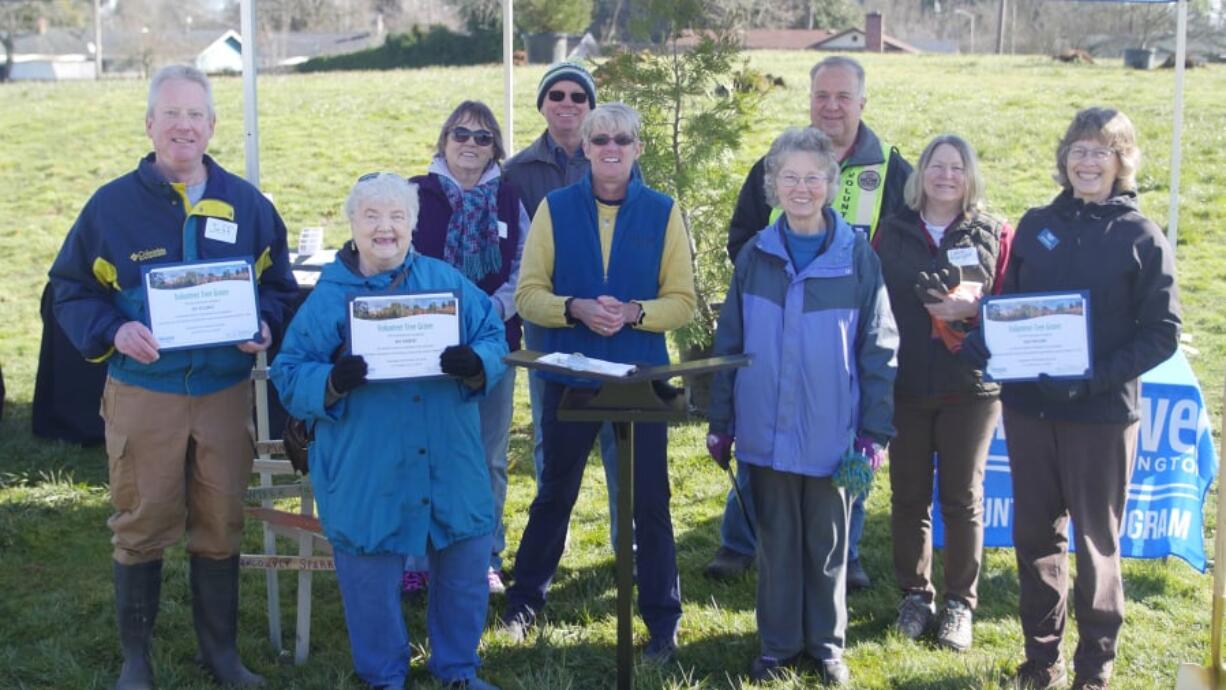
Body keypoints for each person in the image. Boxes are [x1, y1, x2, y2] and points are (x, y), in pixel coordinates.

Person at [48, 64, 297, 689]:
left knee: (220, 521)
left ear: (212, 126)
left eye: (195, 115)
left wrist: (265, 324)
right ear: (150, 124)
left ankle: (221, 656)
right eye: (172, 114)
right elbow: (69, 290)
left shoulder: (249, 206)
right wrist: (111, 331)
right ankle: (138, 660)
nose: (183, 126)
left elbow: (279, 289)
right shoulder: (111, 207)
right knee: (142, 521)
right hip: (145, 392)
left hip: (222, 393)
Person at [962, 107, 1180, 690]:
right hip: (1031, 410)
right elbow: (1009, 305)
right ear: (1065, 159)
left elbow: (1162, 332)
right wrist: (980, 342)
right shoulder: (1035, 225)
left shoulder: (1141, 237)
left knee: (1094, 543)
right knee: (1035, 539)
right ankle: (1041, 660)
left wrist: (1095, 378)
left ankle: (1095, 669)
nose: (1088, 161)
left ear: (1121, 162)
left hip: (1101, 415)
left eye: (1102, 151)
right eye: (1080, 150)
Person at [270, 172, 507, 690]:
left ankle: (458, 669)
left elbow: (493, 335)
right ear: (352, 224)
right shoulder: (329, 300)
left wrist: (475, 363)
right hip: (367, 461)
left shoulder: (446, 283)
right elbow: (287, 373)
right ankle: (383, 675)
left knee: (464, 559)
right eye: (372, 216)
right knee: (370, 568)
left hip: (450, 454)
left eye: (397, 217)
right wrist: (329, 381)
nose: (385, 229)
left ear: (413, 225)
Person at [708, 55, 913, 587]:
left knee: (848, 443)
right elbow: (742, 236)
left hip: (845, 332)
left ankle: (846, 550)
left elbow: (909, 247)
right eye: (822, 95)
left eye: (843, 97)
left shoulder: (891, 169)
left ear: (862, 103)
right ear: (809, 100)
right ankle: (740, 541)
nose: (832, 106)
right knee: (763, 435)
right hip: (773, 329)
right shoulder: (776, 162)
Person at [502, 103, 696, 663]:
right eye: (601, 138)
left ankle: (663, 620)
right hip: (573, 370)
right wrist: (575, 308)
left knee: (651, 502)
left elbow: (681, 301)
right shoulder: (554, 208)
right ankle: (523, 603)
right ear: (584, 147)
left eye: (624, 139)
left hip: (641, 374)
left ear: (637, 149)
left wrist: (636, 311)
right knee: (555, 491)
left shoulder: (663, 211)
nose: (612, 147)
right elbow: (528, 293)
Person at [706, 127, 898, 686]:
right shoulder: (755, 255)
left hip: (831, 436)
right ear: (772, 186)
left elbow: (880, 347)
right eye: (789, 177)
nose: (801, 187)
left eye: (813, 177)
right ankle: (778, 646)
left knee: (827, 546)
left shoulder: (856, 258)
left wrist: (874, 433)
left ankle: (827, 646)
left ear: (831, 185)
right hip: (764, 433)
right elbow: (730, 343)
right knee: (777, 547)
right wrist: (722, 423)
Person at [873, 134, 1013, 651]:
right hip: (905, 384)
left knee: (962, 498)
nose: (946, 175)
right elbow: (873, 303)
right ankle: (915, 594)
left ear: (969, 175)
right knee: (908, 497)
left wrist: (971, 313)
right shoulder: (891, 232)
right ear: (921, 173)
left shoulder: (994, 233)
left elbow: (1013, 302)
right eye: (937, 165)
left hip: (970, 389)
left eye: (957, 167)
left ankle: (959, 603)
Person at [403, 100, 529, 596]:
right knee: (424, 455)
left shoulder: (510, 199)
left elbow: (524, 266)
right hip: (422, 349)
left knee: (486, 458)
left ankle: (484, 557)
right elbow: (397, 260)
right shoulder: (416, 193)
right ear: (443, 140)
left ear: (495, 146)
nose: (470, 144)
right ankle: (418, 559)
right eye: (461, 134)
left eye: (482, 137)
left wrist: (491, 312)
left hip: (492, 347)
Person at [502, 61, 623, 545]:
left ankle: (625, 541)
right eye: (557, 95)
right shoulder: (518, 172)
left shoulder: (613, 158)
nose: (568, 104)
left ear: (591, 106)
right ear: (542, 105)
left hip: (617, 319)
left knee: (620, 432)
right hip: (550, 320)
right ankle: (551, 539)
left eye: (578, 96)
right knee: (550, 434)